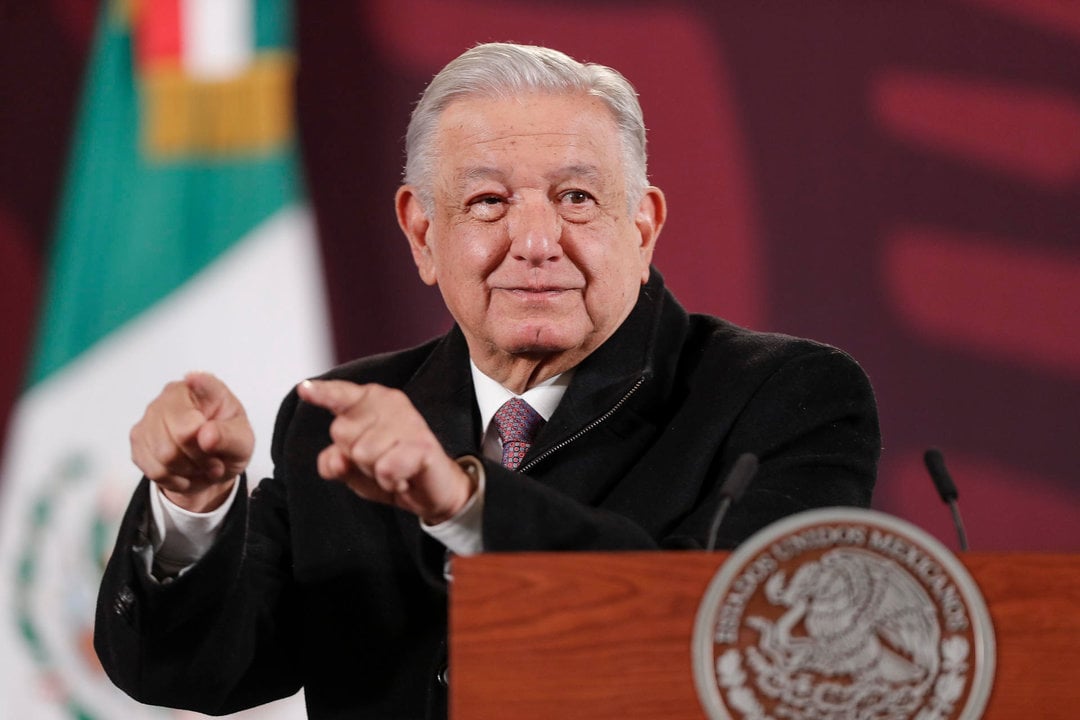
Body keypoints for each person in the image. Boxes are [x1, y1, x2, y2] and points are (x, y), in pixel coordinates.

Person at [95, 42, 880, 719]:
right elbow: (204, 670)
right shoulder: (343, 422)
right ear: (422, 232)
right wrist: (191, 509)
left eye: (576, 197)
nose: (535, 241)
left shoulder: (784, 398)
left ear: (641, 228)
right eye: (488, 201)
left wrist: (466, 504)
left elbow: (735, 648)